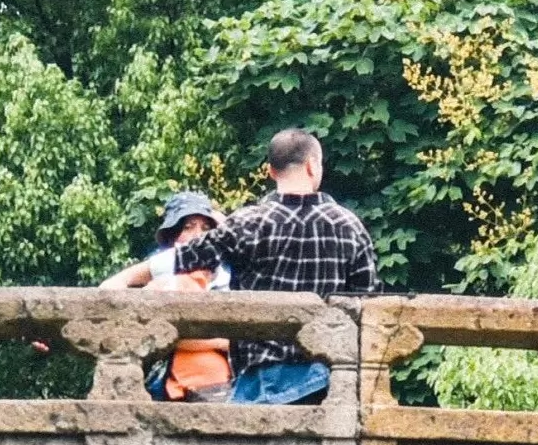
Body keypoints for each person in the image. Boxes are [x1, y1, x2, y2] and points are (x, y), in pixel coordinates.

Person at [166, 131, 374, 403]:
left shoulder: (247, 223)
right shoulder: (350, 227)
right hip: (327, 384)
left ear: (270, 171)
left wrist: (121, 280)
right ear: (313, 165)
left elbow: (181, 259)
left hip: (259, 381)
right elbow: (368, 304)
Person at [105, 190, 235, 401]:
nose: (198, 235)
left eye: (205, 228)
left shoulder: (229, 273)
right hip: (166, 377)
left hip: (227, 379)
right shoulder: (159, 273)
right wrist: (220, 341)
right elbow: (152, 332)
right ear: (174, 236)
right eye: (188, 227)